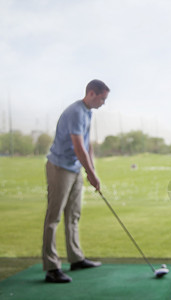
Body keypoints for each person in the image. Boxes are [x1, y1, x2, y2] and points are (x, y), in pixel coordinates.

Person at [42, 79, 110, 283]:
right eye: (102, 99)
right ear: (91, 93)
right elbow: (78, 146)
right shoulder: (75, 112)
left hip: (74, 169)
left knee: (74, 215)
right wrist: (90, 172)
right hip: (60, 168)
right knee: (53, 217)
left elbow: (87, 145)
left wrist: (92, 171)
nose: (103, 103)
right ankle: (51, 267)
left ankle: (76, 258)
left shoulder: (88, 113)